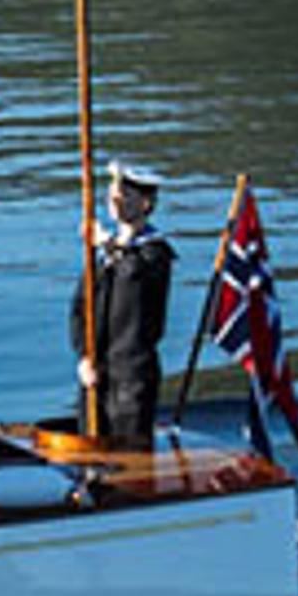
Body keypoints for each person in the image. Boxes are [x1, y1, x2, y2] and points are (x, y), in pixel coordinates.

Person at [74, 166, 175, 447]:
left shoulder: (155, 254)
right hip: (96, 373)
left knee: (129, 454)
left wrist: (106, 243)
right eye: (111, 195)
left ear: (145, 204)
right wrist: (83, 355)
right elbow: (81, 307)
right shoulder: (104, 256)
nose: (114, 201)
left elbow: (133, 272)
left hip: (132, 377)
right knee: (90, 447)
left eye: (123, 195)